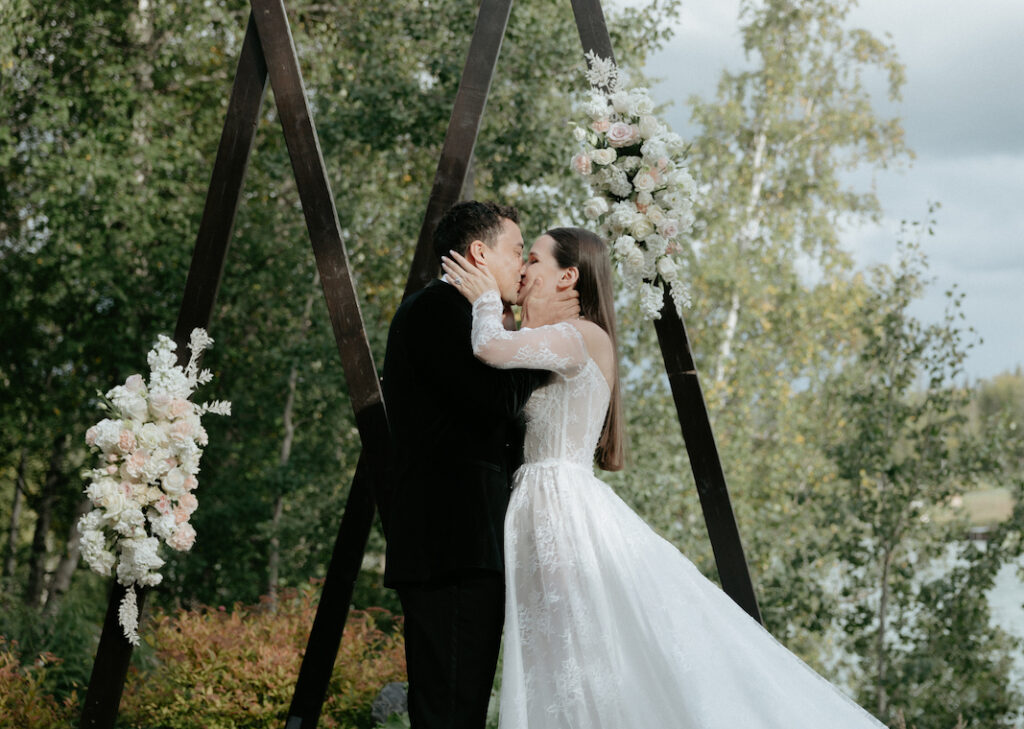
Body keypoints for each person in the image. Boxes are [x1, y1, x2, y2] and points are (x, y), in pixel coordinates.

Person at [440, 227, 889, 729]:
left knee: (580, 649)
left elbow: (491, 349)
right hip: (537, 505)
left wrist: (482, 298)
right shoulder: (552, 339)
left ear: (568, 276)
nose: (523, 268)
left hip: (560, 509)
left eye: (535, 261)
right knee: (555, 654)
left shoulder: (582, 336)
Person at [379, 201, 577, 729]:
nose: (522, 267)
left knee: (456, 709)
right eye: (517, 251)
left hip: (463, 547)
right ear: (479, 252)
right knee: (448, 713)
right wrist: (541, 336)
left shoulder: (457, 315)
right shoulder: (441, 310)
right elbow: (496, 402)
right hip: (453, 545)